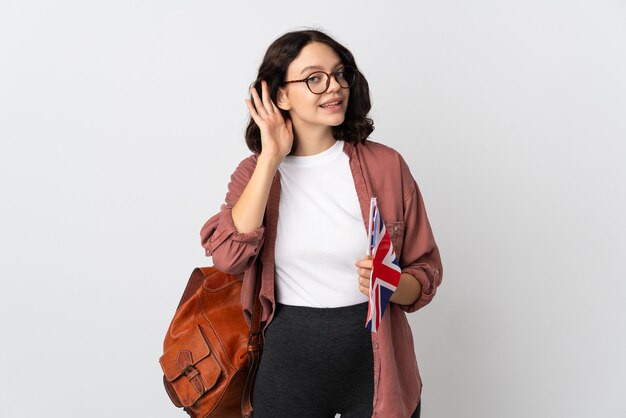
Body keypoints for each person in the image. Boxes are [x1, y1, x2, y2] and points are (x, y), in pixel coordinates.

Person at [200, 29, 442, 418]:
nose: (334, 87)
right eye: (314, 78)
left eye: (340, 73)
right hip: (288, 363)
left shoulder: (385, 166)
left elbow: (425, 273)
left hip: (376, 363)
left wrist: (392, 282)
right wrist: (270, 157)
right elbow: (228, 257)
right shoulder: (253, 174)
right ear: (280, 95)